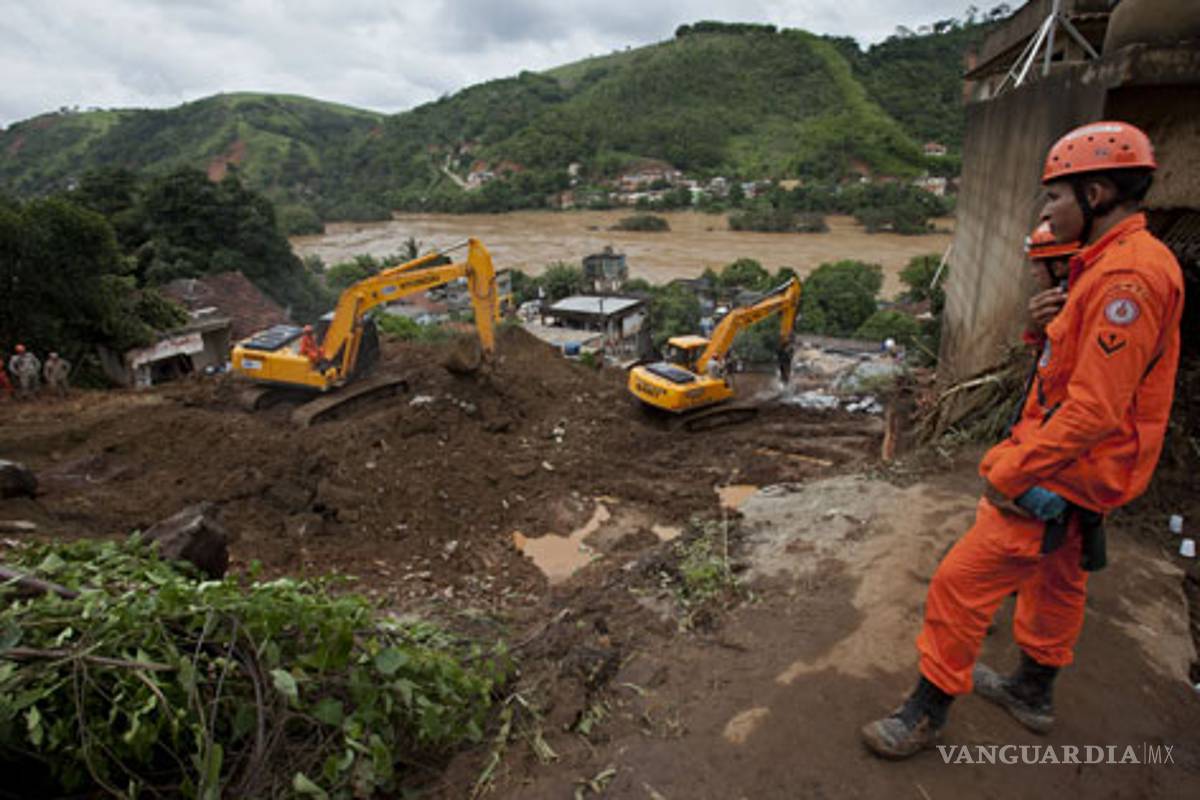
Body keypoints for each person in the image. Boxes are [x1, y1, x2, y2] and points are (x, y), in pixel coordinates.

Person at [860, 121, 1184, 758]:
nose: (1046, 211)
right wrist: (1047, 331)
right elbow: (1078, 369)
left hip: (1070, 468)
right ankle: (1033, 691)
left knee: (960, 582)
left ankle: (926, 713)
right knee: (1058, 579)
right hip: (1092, 469)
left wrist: (1011, 468)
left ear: (1094, 194)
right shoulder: (1111, 267)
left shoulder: (1127, 281)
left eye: (1054, 198)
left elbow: (1092, 407)